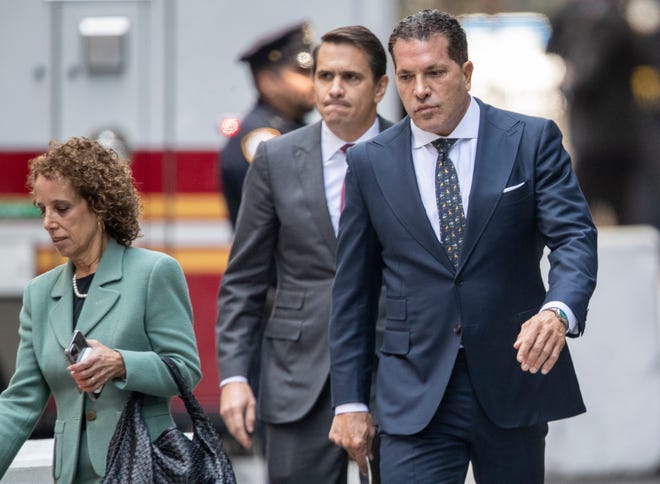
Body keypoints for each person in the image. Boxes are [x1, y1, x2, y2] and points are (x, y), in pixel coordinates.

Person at [328, 10, 598, 484]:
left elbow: (574, 238)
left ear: (466, 72)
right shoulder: (370, 162)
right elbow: (353, 292)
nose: (420, 90)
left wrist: (559, 310)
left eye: (435, 72)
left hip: (513, 378)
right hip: (412, 394)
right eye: (407, 77)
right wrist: (350, 401)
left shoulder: (530, 141)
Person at [216, 25, 391, 483]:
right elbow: (244, 279)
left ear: (380, 87)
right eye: (324, 75)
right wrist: (234, 375)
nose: (334, 88)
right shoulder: (275, 159)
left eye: (351, 78)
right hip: (299, 374)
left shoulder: (412, 150)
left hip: (396, 370)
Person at [0, 137, 201, 483]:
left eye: (61, 209)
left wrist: (122, 363)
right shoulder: (39, 293)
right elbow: (20, 402)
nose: (48, 222)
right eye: (42, 209)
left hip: (143, 468)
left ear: (100, 207)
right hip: (71, 475)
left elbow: (185, 370)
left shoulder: (154, 272)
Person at [546, 0, 645, 225]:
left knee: (616, 208)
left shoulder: (615, 23)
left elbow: (588, 77)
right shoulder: (572, 16)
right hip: (591, 135)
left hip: (615, 136)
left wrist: (571, 82)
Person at [220, 21, 316, 228]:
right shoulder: (262, 139)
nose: (314, 81)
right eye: (302, 72)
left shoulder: (290, 128)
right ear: (267, 82)